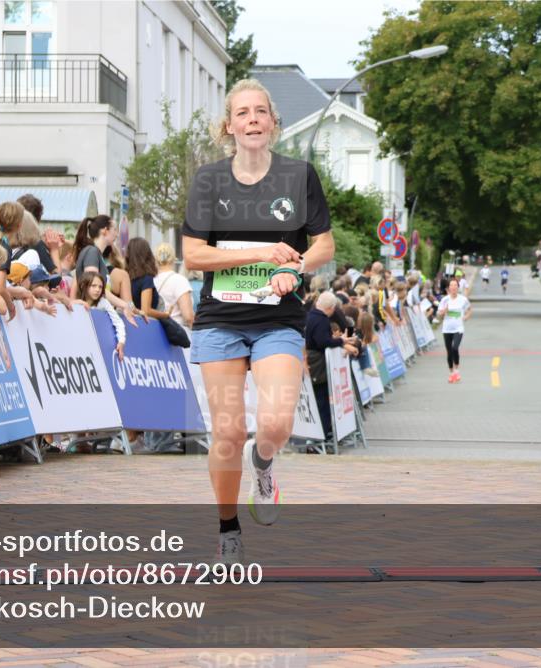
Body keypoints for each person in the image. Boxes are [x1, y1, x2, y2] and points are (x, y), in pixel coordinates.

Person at [182, 78, 334, 563]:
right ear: (228, 126)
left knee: (275, 424)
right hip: (220, 322)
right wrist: (261, 252)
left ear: (272, 122)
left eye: (260, 112)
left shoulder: (299, 176)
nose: (251, 119)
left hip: (278, 320)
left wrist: (293, 267)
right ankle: (228, 529)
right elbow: (193, 257)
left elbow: (324, 246)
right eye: (242, 113)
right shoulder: (209, 180)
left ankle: (263, 462)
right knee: (226, 433)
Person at [305, 292, 358, 442]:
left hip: (313, 360)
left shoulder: (310, 315)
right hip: (318, 362)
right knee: (321, 399)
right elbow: (322, 341)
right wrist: (340, 341)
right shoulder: (321, 320)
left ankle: (322, 432)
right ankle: (322, 433)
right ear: (332, 308)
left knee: (319, 398)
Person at [72, 214, 137, 321]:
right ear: (105, 231)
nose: (117, 234)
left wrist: (130, 308)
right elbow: (92, 287)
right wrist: (125, 305)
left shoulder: (95, 253)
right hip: (90, 316)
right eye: (114, 229)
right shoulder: (92, 252)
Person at [436, 278, 472, 384]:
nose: (453, 287)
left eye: (455, 285)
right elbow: (438, 314)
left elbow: (469, 309)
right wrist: (444, 311)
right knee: (449, 351)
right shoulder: (444, 300)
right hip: (447, 329)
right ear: (449, 288)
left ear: (458, 287)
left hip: (458, 328)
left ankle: (457, 369)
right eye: (451, 286)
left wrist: (466, 317)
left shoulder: (463, 299)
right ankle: (451, 373)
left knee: (455, 347)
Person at [154, 242, 195, 328]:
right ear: (173, 259)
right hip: (177, 331)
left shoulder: (152, 281)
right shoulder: (180, 281)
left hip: (157, 330)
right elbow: (188, 317)